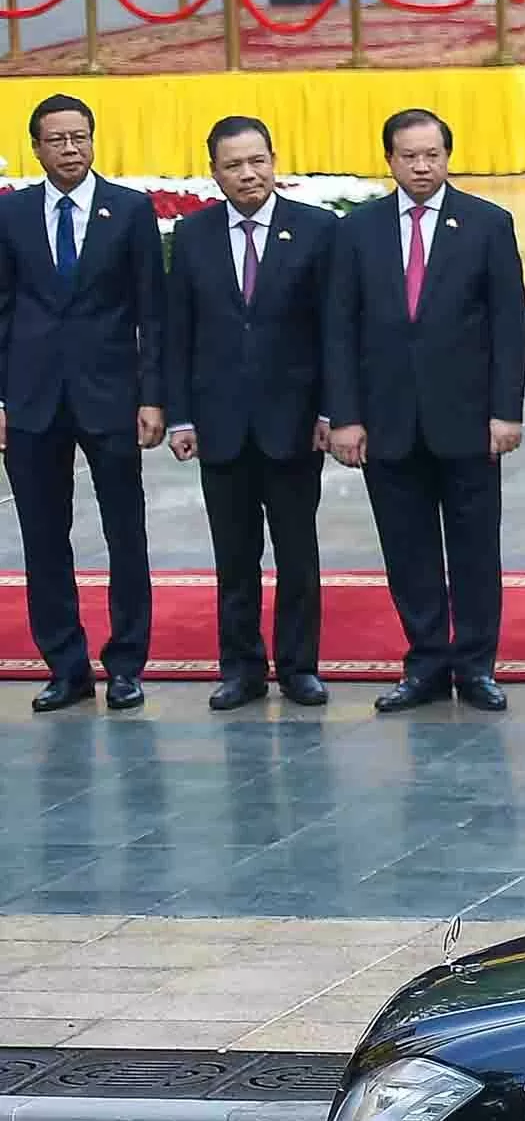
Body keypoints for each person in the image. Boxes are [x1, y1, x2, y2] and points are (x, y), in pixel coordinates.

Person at [324, 109, 523, 712]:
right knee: (407, 549)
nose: (421, 166)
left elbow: (509, 325)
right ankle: (426, 662)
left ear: (447, 155)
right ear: (389, 160)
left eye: (432, 154)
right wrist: (346, 416)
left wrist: (505, 411)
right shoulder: (357, 230)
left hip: (466, 418)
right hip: (387, 420)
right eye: (409, 156)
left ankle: (478, 665)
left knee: (474, 548)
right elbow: (341, 329)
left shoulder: (488, 224)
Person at [160, 115, 331, 710]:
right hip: (220, 425)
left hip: (293, 423)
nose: (247, 174)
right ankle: (240, 668)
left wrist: (332, 411)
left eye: (256, 160)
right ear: (214, 173)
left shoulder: (315, 230)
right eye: (233, 165)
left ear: (274, 160)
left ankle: (299, 666)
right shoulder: (194, 234)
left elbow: (332, 330)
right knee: (234, 557)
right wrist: (180, 417)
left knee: (297, 554)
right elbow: (176, 332)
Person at [1, 95, 160, 710]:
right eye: (58, 140)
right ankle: (65, 666)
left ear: (94, 141)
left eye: (80, 138)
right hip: (33, 399)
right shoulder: (11, 215)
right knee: (43, 535)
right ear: (36, 148)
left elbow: (153, 312)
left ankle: (126, 664)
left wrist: (152, 397)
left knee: (127, 531)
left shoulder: (129, 211)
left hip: (112, 396)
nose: (71, 150)